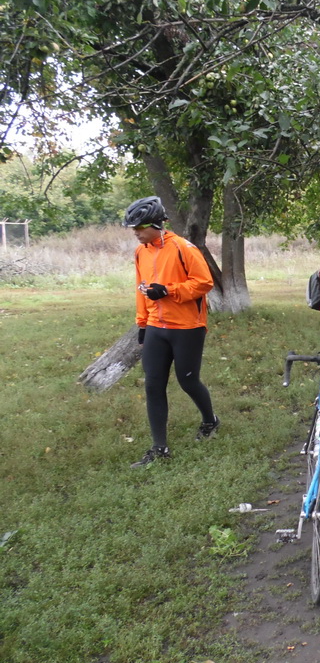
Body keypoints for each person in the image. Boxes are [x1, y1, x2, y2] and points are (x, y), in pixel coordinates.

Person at [123, 196, 218, 468]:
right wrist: (142, 323)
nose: (136, 233)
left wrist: (168, 291)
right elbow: (141, 289)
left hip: (187, 327)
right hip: (156, 326)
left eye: (139, 227)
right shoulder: (141, 252)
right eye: (133, 228)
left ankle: (210, 420)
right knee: (153, 385)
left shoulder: (183, 248)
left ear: (155, 224)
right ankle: (159, 448)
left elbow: (204, 283)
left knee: (188, 381)